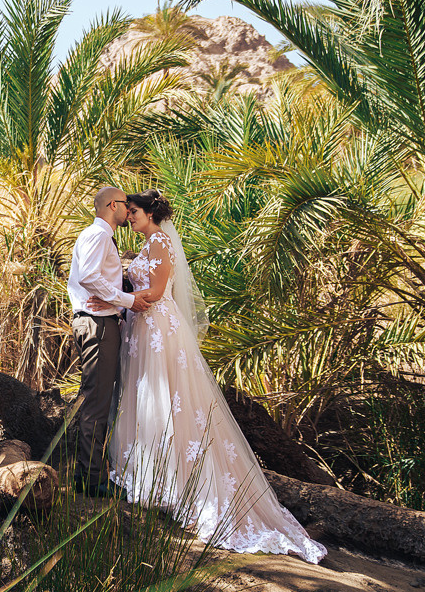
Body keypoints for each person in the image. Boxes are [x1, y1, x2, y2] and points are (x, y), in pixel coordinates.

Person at [87, 189, 326, 563]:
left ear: (150, 213)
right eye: (127, 211)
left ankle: (176, 484)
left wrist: (122, 300)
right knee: (146, 399)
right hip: (139, 327)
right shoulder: (146, 244)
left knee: (168, 400)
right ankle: (151, 477)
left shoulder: (161, 242)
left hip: (156, 328)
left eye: (134, 211)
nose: (129, 216)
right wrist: (117, 300)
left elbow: (157, 291)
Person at [67, 185, 151, 497]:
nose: (129, 210)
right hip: (98, 325)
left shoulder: (100, 236)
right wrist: (126, 301)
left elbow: (96, 278)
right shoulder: (99, 235)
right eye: (126, 204)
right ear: (113, 205)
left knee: (98, 400)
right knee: (96, 403)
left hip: (101, 321)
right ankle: (91, 481)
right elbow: (88, 276)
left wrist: (116, 301)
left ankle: (86, 475)